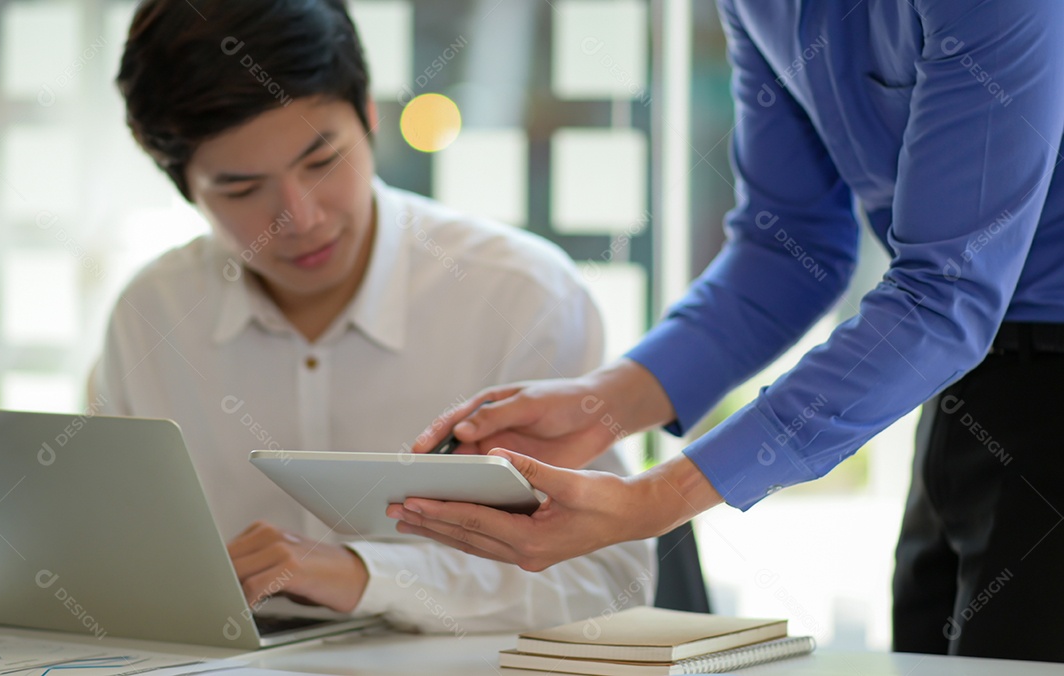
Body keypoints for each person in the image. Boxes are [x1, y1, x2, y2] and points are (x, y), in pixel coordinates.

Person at [394, 0, 1064, 662]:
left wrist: (658, 498)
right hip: (966, 384)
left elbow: (944, 294)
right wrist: (601, 403)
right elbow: (789, 249)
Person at [91, 0, 655, 633]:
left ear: (368, 117)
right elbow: (104, 562)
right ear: (184, 187)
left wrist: (368, 576)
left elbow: (606, 583)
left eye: (321, 160)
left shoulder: (519, 295)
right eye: (242, 189)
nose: (300, 218)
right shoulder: (151, 315)